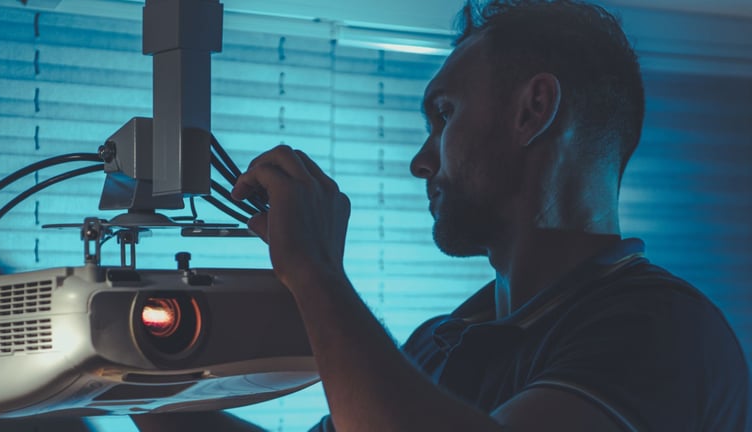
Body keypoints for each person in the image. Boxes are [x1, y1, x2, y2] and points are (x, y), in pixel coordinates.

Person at [229, 0, 749, 431]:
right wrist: (156, 391)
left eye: (444, 115)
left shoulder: (664, 331)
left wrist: (316, 272)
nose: (420, 162)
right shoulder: (439, 342)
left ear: (533, 109)